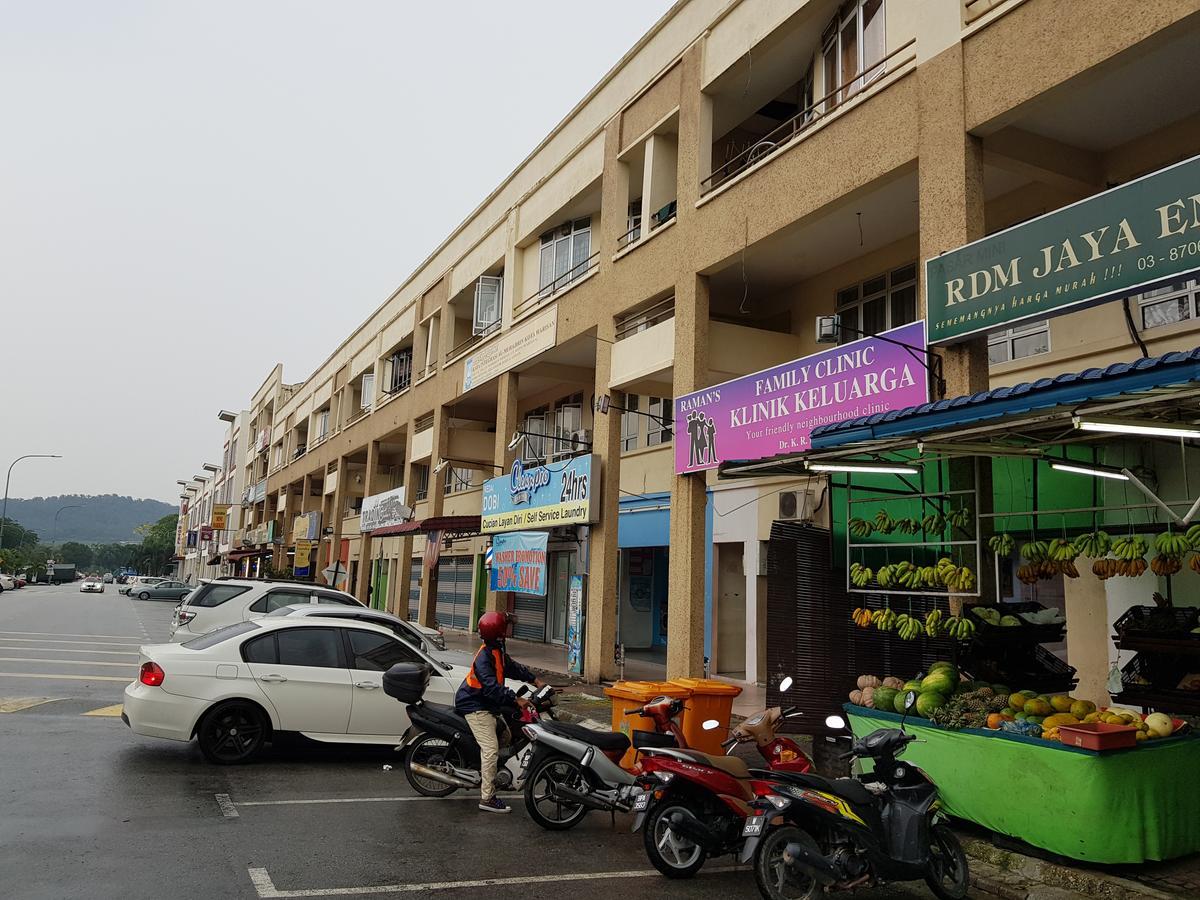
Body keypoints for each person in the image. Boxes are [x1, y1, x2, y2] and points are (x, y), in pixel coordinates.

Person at [454, 610, 543, 813]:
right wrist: (516, 699)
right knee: (491, 749)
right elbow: (492, 687)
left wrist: (535, 680)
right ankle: (487, 798)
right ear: (498, 632)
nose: (508, 629)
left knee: (506, 735)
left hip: (487, 704)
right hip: (475, 706)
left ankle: (487, 770)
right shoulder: (484, 658)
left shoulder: (496, 651)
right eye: (505, 626)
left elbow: (513, 668)